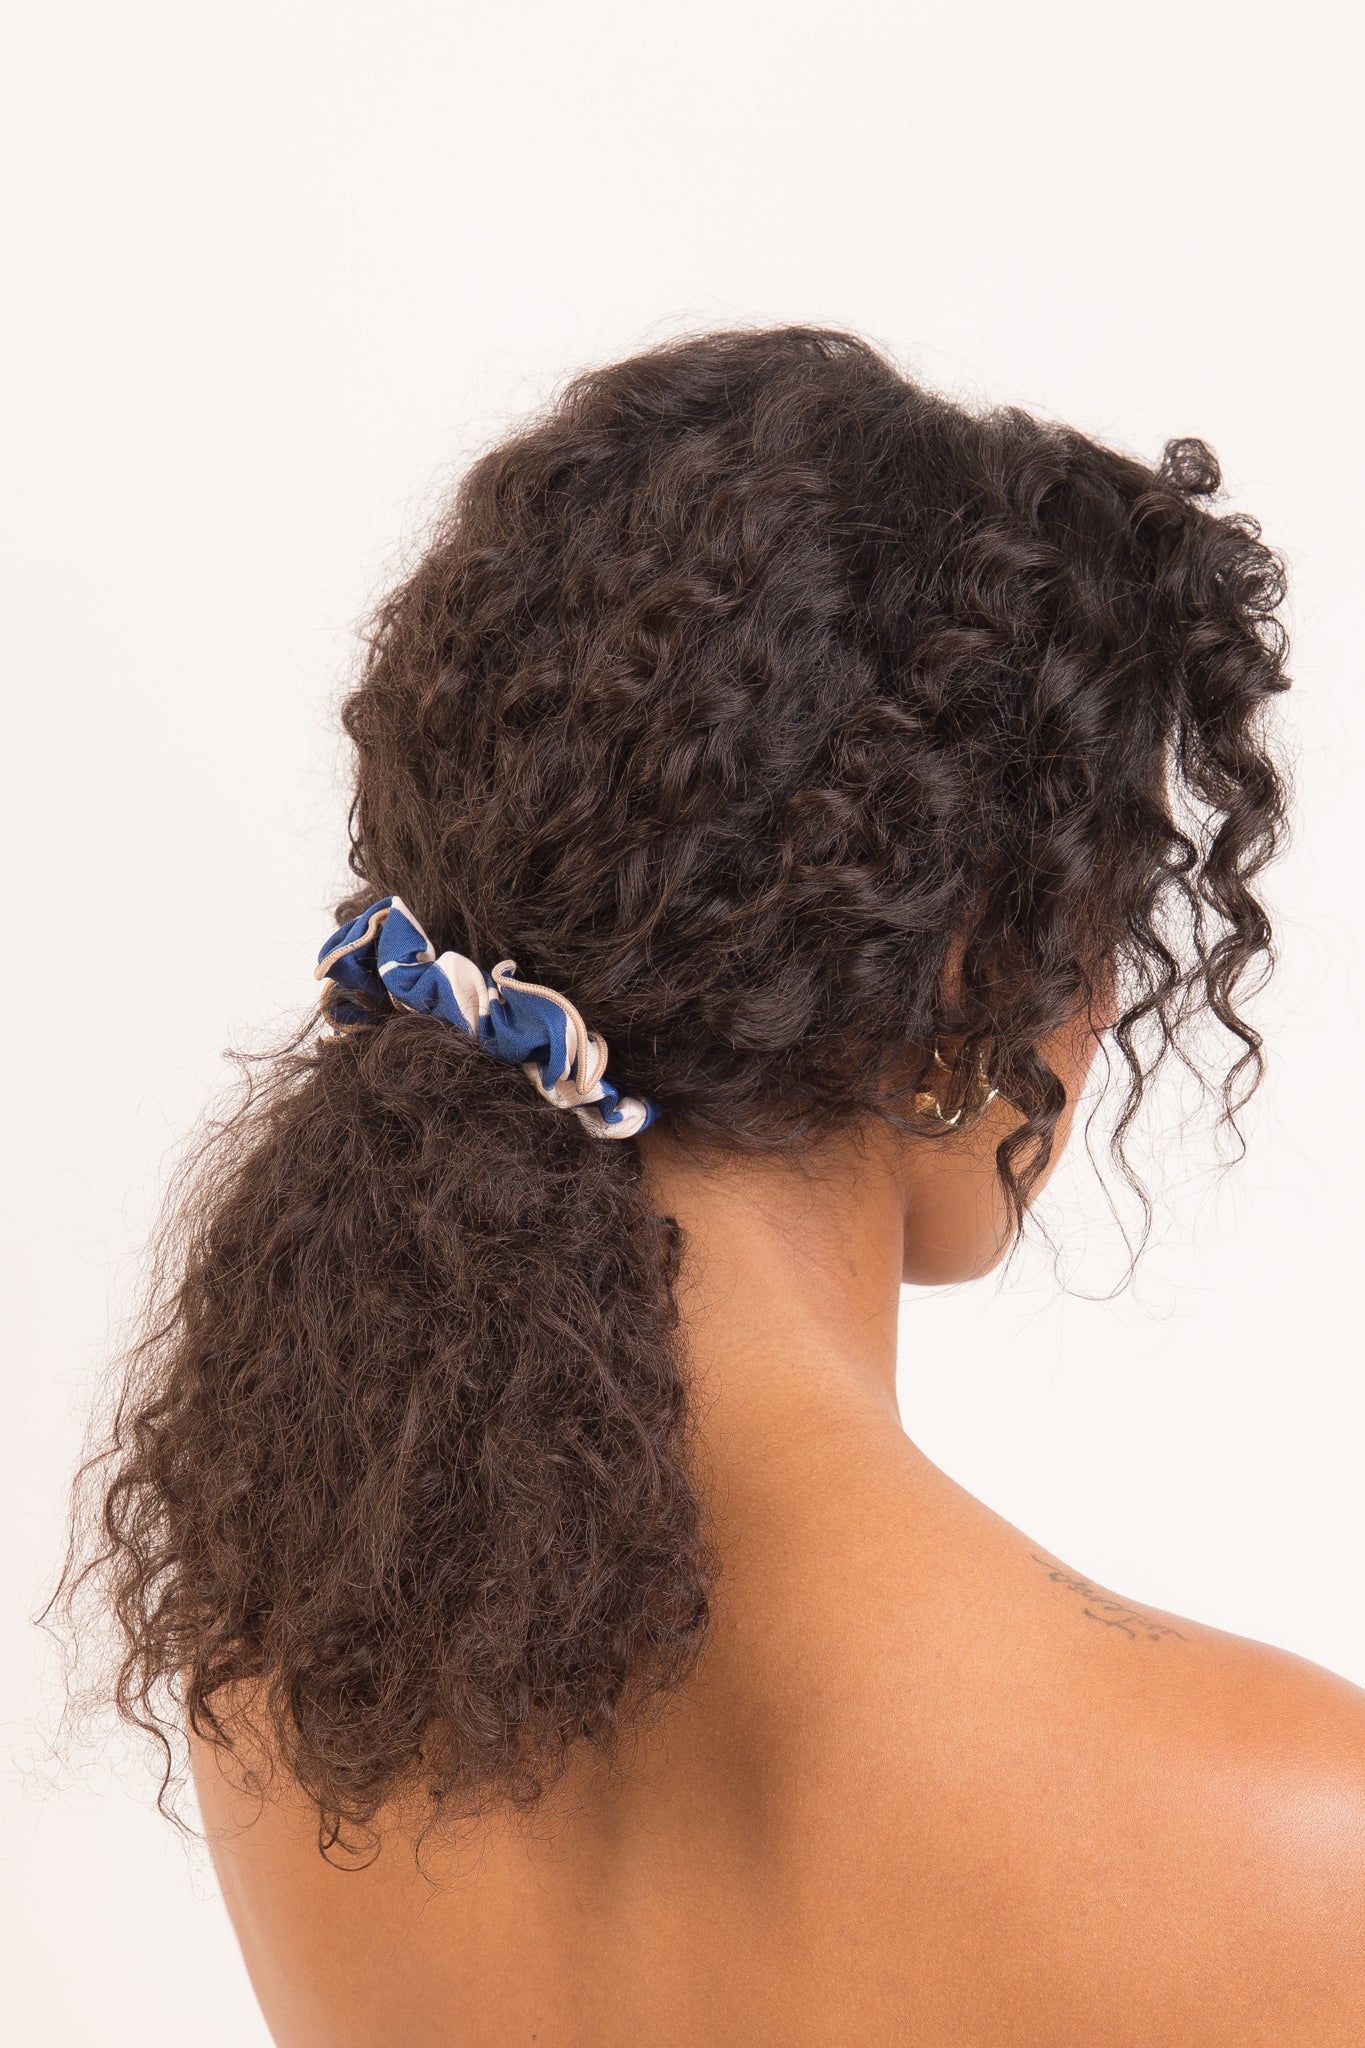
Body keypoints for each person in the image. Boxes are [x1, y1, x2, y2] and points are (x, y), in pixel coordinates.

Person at [65, 327, 1365, 2044]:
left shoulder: (297, 1680)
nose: (1110, 999)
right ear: (963, 978)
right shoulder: (1295, 1840)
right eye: (1100, 910)